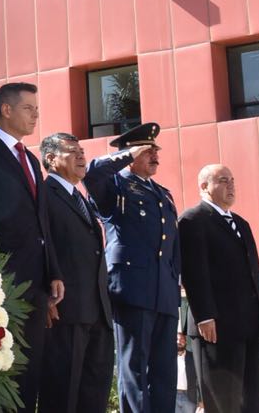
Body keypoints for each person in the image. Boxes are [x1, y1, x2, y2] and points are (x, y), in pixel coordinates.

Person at [0, 82, 63, 413]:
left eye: (37, 110)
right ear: (5, 110)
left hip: (35, 286)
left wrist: (53, 272)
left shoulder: (32, 161)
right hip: (2, 286)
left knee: (29, 375)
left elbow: (42, 222)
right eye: (28, 109)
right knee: (4, 376)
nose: (35, 116)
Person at [83, 123, 180, 413]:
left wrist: (175, 289)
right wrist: (125, 156)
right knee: (134, 369)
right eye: (147, 151)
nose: (155, 156)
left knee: (165, 372)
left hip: (164, 293)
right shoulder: (115, 186)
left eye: (155, 151)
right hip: (132, 290)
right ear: (131, 153)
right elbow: (90, 173)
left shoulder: (163, 193)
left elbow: (173, 248)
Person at [179, 164, 259, 412]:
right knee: (223, 402)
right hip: (217, 326)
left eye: (232, 179)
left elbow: (253, 274)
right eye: (223, 180)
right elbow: (193, 272)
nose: (231, 185)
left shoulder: (241, 223)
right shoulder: (191, 220)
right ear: (204, 186)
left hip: (251, 324)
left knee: (252, 400)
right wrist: (205, 314)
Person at [39, 132, 113, 413]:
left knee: (94, 397)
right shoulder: (44, 195)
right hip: (65, 312)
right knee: (62, 397)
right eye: (73, 151)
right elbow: (41, 245)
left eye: (82, 151)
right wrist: (45, 293)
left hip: (98, 314)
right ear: (51, 158)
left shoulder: (81, 198)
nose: (82, 157)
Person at [176, 331, 203, 413]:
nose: (179, 342)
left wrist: (201, 400)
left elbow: (199, 379)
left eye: (182, 339)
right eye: (177, 339)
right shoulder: (168, 358)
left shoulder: (193, 357)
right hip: (173, 396)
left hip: (189, 397)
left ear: (186, 341)